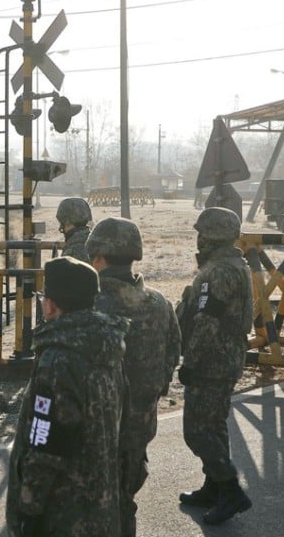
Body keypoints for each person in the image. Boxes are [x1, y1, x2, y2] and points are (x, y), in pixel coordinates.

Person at [6, 256, 130, 537]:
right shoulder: (108, 348)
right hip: (102, 507)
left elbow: (46, 443)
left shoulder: (57, 359)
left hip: (63, 514)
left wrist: (29, 509)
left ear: (51, 305)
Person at [86, 217, 181, 537]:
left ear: (98, 257)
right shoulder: (158, 303)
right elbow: (173, 351)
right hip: (139, 427)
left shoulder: (88, 304)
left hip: (93, 433)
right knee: (124, 500)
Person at [176, 206, 253, 525]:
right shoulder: (234, 264)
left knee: (197, 430)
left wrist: (190, 362)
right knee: (215, 425)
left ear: (212, 236)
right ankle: (214, 487)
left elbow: (207, 321)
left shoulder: (220, 271)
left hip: (213, 361)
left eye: (202, 233)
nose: (198, 239)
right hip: (226, 356)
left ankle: (231, 491)